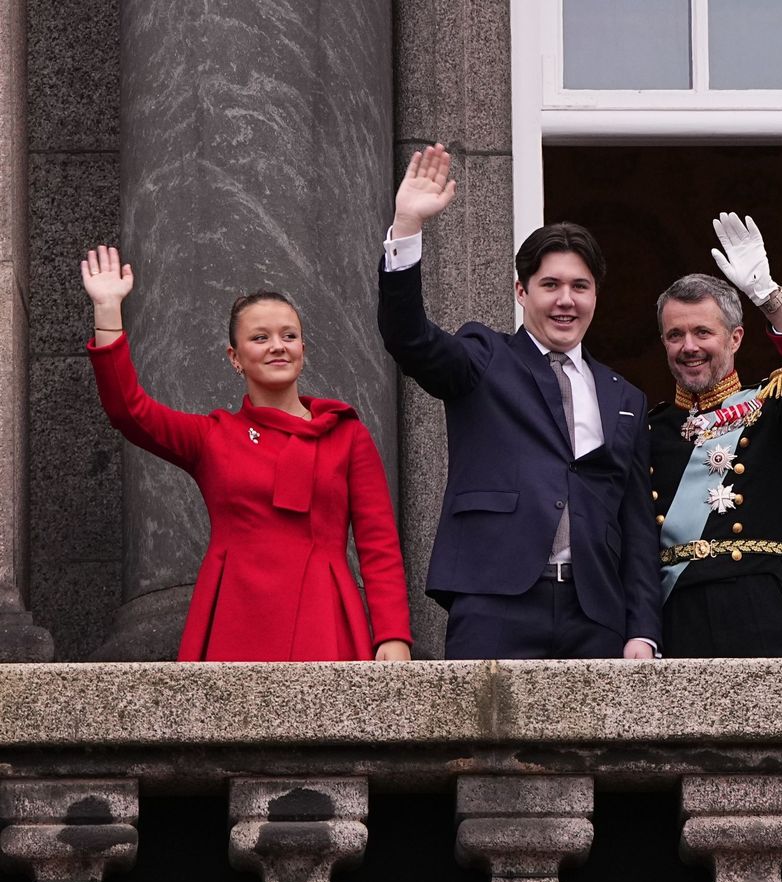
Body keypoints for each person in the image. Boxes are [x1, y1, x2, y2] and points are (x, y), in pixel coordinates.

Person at [377, 144, 658, 660]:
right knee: (475, 745)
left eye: (580, 286)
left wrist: (643, 628)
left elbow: (637, 524)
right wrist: (408, 226)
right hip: (494, 600)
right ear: (521, 291)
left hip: (595, 613)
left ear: (597, 296)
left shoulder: (626, 397)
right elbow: (409, 339)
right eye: (549, 284)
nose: (565, 300)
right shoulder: (484, 357)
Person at [79, 246, 411, 662]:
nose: (278, 346)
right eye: (260, 338)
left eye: (289, 336)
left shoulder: (347, 435)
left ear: (303, 350)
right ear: (235, 358)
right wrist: (108, 311)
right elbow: (129, 411)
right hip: (234, 618)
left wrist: (392, 635)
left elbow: (378, 545)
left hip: (324, 616)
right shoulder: (214, 437)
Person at [649, 215, 782, 657]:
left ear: (735, 338)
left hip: (759, 606)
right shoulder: (648, 429)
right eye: (675, 335)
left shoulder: (773, 406)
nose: (688, 346)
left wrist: (768, 297)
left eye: (702, 332)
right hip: (674, 614)